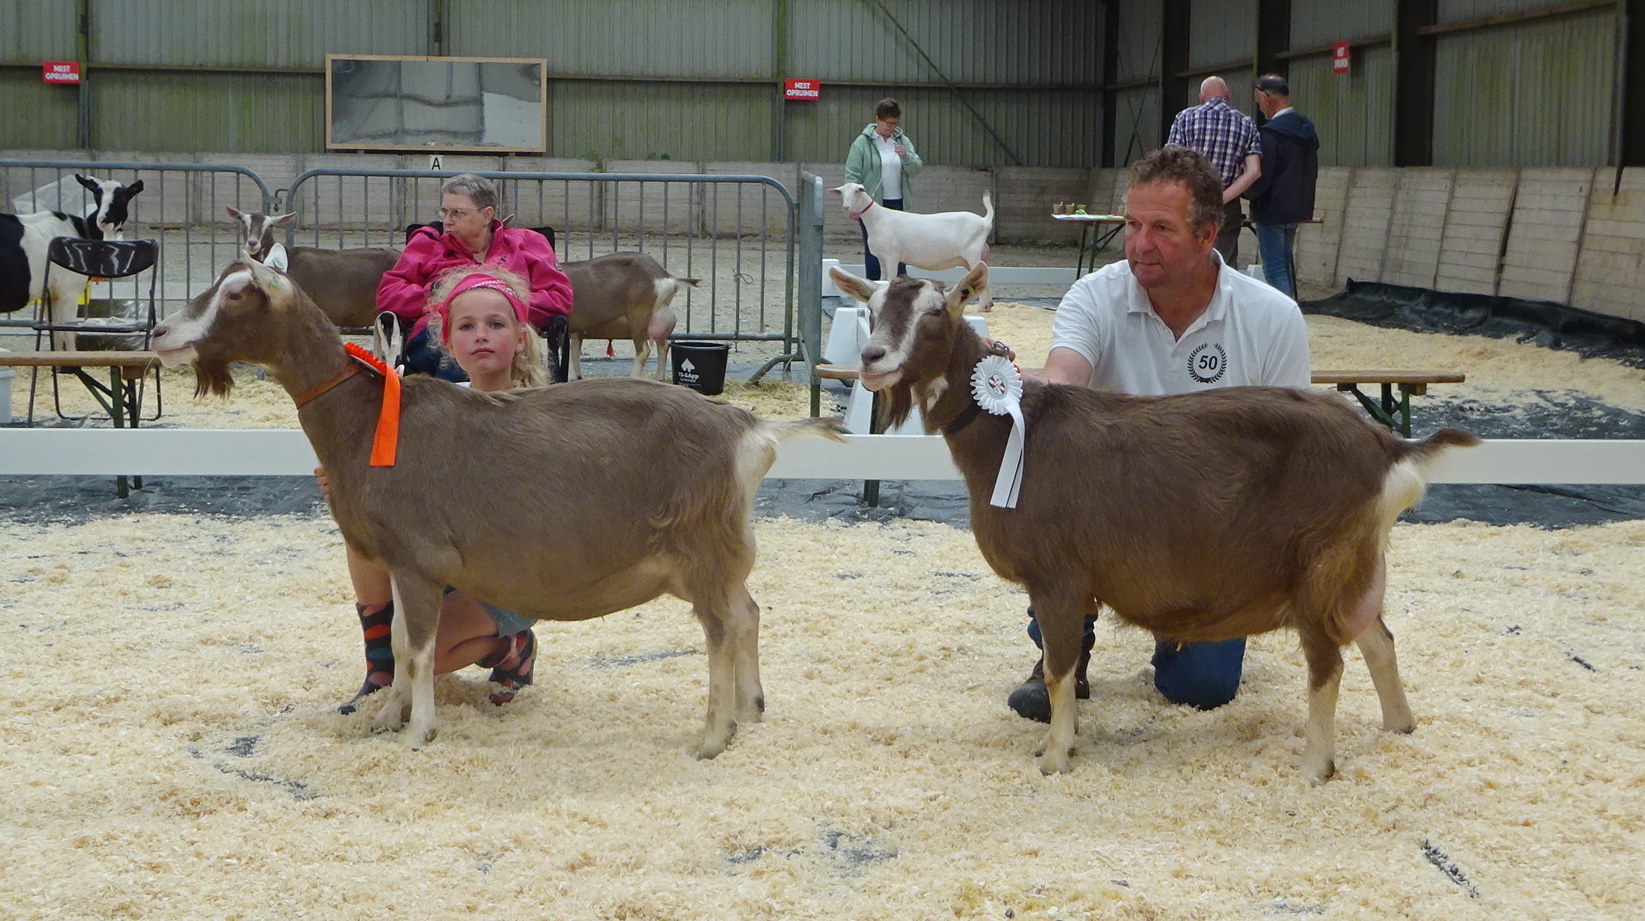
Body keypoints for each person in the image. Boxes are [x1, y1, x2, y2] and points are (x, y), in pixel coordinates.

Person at [1005, 146, 1311, 722]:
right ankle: (1066, 645)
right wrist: (1019, 382)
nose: (1140, 244)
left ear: (1208, 235)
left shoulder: (1273, 317)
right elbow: (1065, 381)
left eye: (1162, 229)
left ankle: (1183, 637)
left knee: (1202, 690)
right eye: (1132, 224)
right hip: (1111, 514)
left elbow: (1289, 458)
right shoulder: (1093, 297)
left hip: (1217, 528)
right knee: (1055, 472)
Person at [329, 265, 549, 714]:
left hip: (511, 573)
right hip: (445, 554)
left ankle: (512, 649)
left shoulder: (542, 414)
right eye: (466, 326)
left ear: (521, 338)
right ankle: (380, 673)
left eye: (496, 324)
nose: (481, 335)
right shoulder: (433, 408)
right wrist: (348, 484)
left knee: (430, 656)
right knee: (363, 538)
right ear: (448, 342)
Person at [377, 173, 573, 381]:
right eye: (445, 212)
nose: (447, 221)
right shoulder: (428, 243)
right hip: (438, 335)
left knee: (485, 346)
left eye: (457, 213)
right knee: (463, 348)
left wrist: (503, 301)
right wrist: (438, 294)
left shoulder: (527, 243)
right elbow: (389, 294)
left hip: (506, 337)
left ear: (487, 215)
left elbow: (559, 297)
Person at [1166, 75, 1262, 265]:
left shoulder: (1184, 118)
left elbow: (1171, 164)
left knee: (1187, 259)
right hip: (1227, 205)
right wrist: (1222, 198)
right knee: (1224, 265)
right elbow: (1254, 172)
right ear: (1227, 96)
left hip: (1189, 201)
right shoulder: (1246, 123)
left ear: (1201, 97)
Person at [1244, 74, 1320, 299]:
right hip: (1298, 208)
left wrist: (1248, 194)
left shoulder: (1270, 134)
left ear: (1268, 98)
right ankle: (1292, 314)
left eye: (1259, 102)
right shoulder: (1307, 130)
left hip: (1272, 210)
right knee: (1286, 266)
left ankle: (1285, 321)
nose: (1260, 108)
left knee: (1275, 271)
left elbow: (1262, 177)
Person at [844, 97, 924, 280]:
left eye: (895, 123)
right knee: (874, 246)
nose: (892, 127)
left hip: (897, 202)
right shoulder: (861, 144)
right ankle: (873, 286)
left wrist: (907, 157)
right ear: (877, 119)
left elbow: (916, 168)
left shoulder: (902, 140)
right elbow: (852, 176)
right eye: (888, 123)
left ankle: (901, 286)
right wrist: (852, 204)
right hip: (871, 205)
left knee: (900, 245)